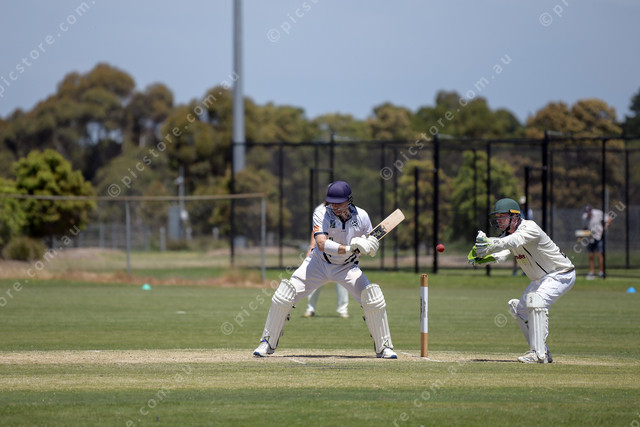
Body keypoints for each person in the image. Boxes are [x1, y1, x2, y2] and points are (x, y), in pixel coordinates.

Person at [253, 180, 397, 359]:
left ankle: (384, 347)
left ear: (349, 200)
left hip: (347, 268)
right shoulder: (321, 213)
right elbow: (321, 244)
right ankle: (267, 342)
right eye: (331, 202)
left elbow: (369, 243)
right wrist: (350, 248)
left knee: (373, 298)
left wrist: (370, 248)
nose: (334, 206)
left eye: (339, 203)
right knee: (284, 294)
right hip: (318, 264)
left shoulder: (362, 216)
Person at [468, 198, 576, 364]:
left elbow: (513, 241)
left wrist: (491, 242)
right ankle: (543, 350)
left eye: (502, 216)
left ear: (515, 216)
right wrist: (482, 257)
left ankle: (538, 355)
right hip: (540, 279)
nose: (499, 220)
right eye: (497, 217)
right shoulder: (507, 235)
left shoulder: (530, 228)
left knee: (536, 302)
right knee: (519, 311)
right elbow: (502, 252)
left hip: (561, 273)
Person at [303, 225, 351, 318]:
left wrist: (355, 249)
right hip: (322, 255)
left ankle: (343, 310)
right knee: (315, 282)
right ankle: (310, 309)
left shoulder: (346, 216)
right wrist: (311, 247)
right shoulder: (322, 215)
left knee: (342, 283)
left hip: (340, 254)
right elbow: (315, 231)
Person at [582, 204, 612, 279]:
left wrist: (604, 229)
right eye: (587, 212)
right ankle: (591, 273)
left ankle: (601, 272)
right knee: (591, 255)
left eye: (589, 212)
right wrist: (584, 233)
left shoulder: (598, 213)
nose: (589, 213)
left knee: (599, 254)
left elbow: (609, 219)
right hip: (590, 238)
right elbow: (585, 227)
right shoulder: (584, 217)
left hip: (599, 237)